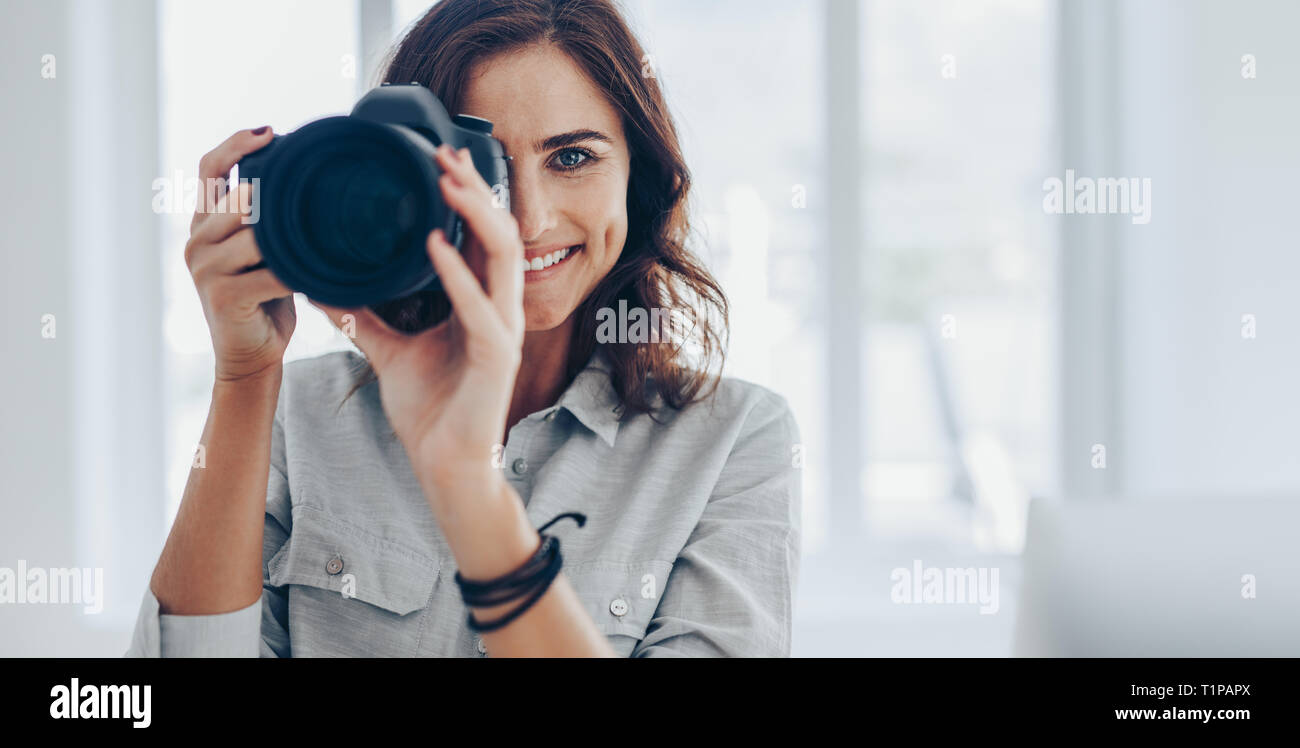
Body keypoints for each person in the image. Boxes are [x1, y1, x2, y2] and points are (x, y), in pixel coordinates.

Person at [127, 0, 801, 658]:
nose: (529, 221)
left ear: (638, 179)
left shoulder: (735, 442)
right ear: (401, 180)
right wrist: (244, 378)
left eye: (571, 158)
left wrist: (468, 492)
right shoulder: (296, 415)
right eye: (486, 170)